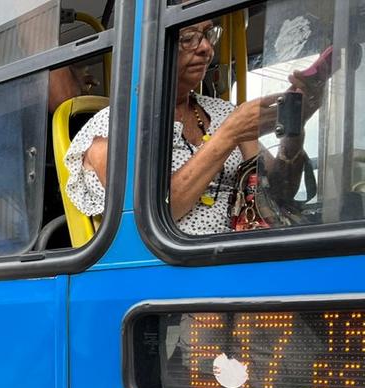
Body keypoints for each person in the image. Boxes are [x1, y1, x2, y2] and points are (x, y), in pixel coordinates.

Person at [65, 20, 325, 235]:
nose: (205, 48)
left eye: (208, 35)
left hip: (245, 251)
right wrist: (228, 136)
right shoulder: (109, 129)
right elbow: (154, 214)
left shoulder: (222, 112)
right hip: (181, 263)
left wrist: (293, 129)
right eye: (188, 37)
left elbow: (279, 193)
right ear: (147, 48)